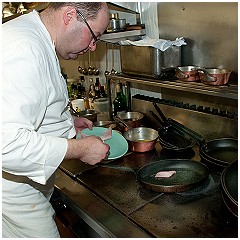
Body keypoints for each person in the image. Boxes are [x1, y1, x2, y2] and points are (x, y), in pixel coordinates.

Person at [2, 2, 110, 238]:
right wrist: (80, 149)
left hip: (24, 185)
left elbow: (28, 106)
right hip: (13, 193)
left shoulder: (37, 37)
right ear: (70, 15)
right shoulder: (23, 48)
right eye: (94, 36)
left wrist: (64, 122)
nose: (92, 47)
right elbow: (7, 145)